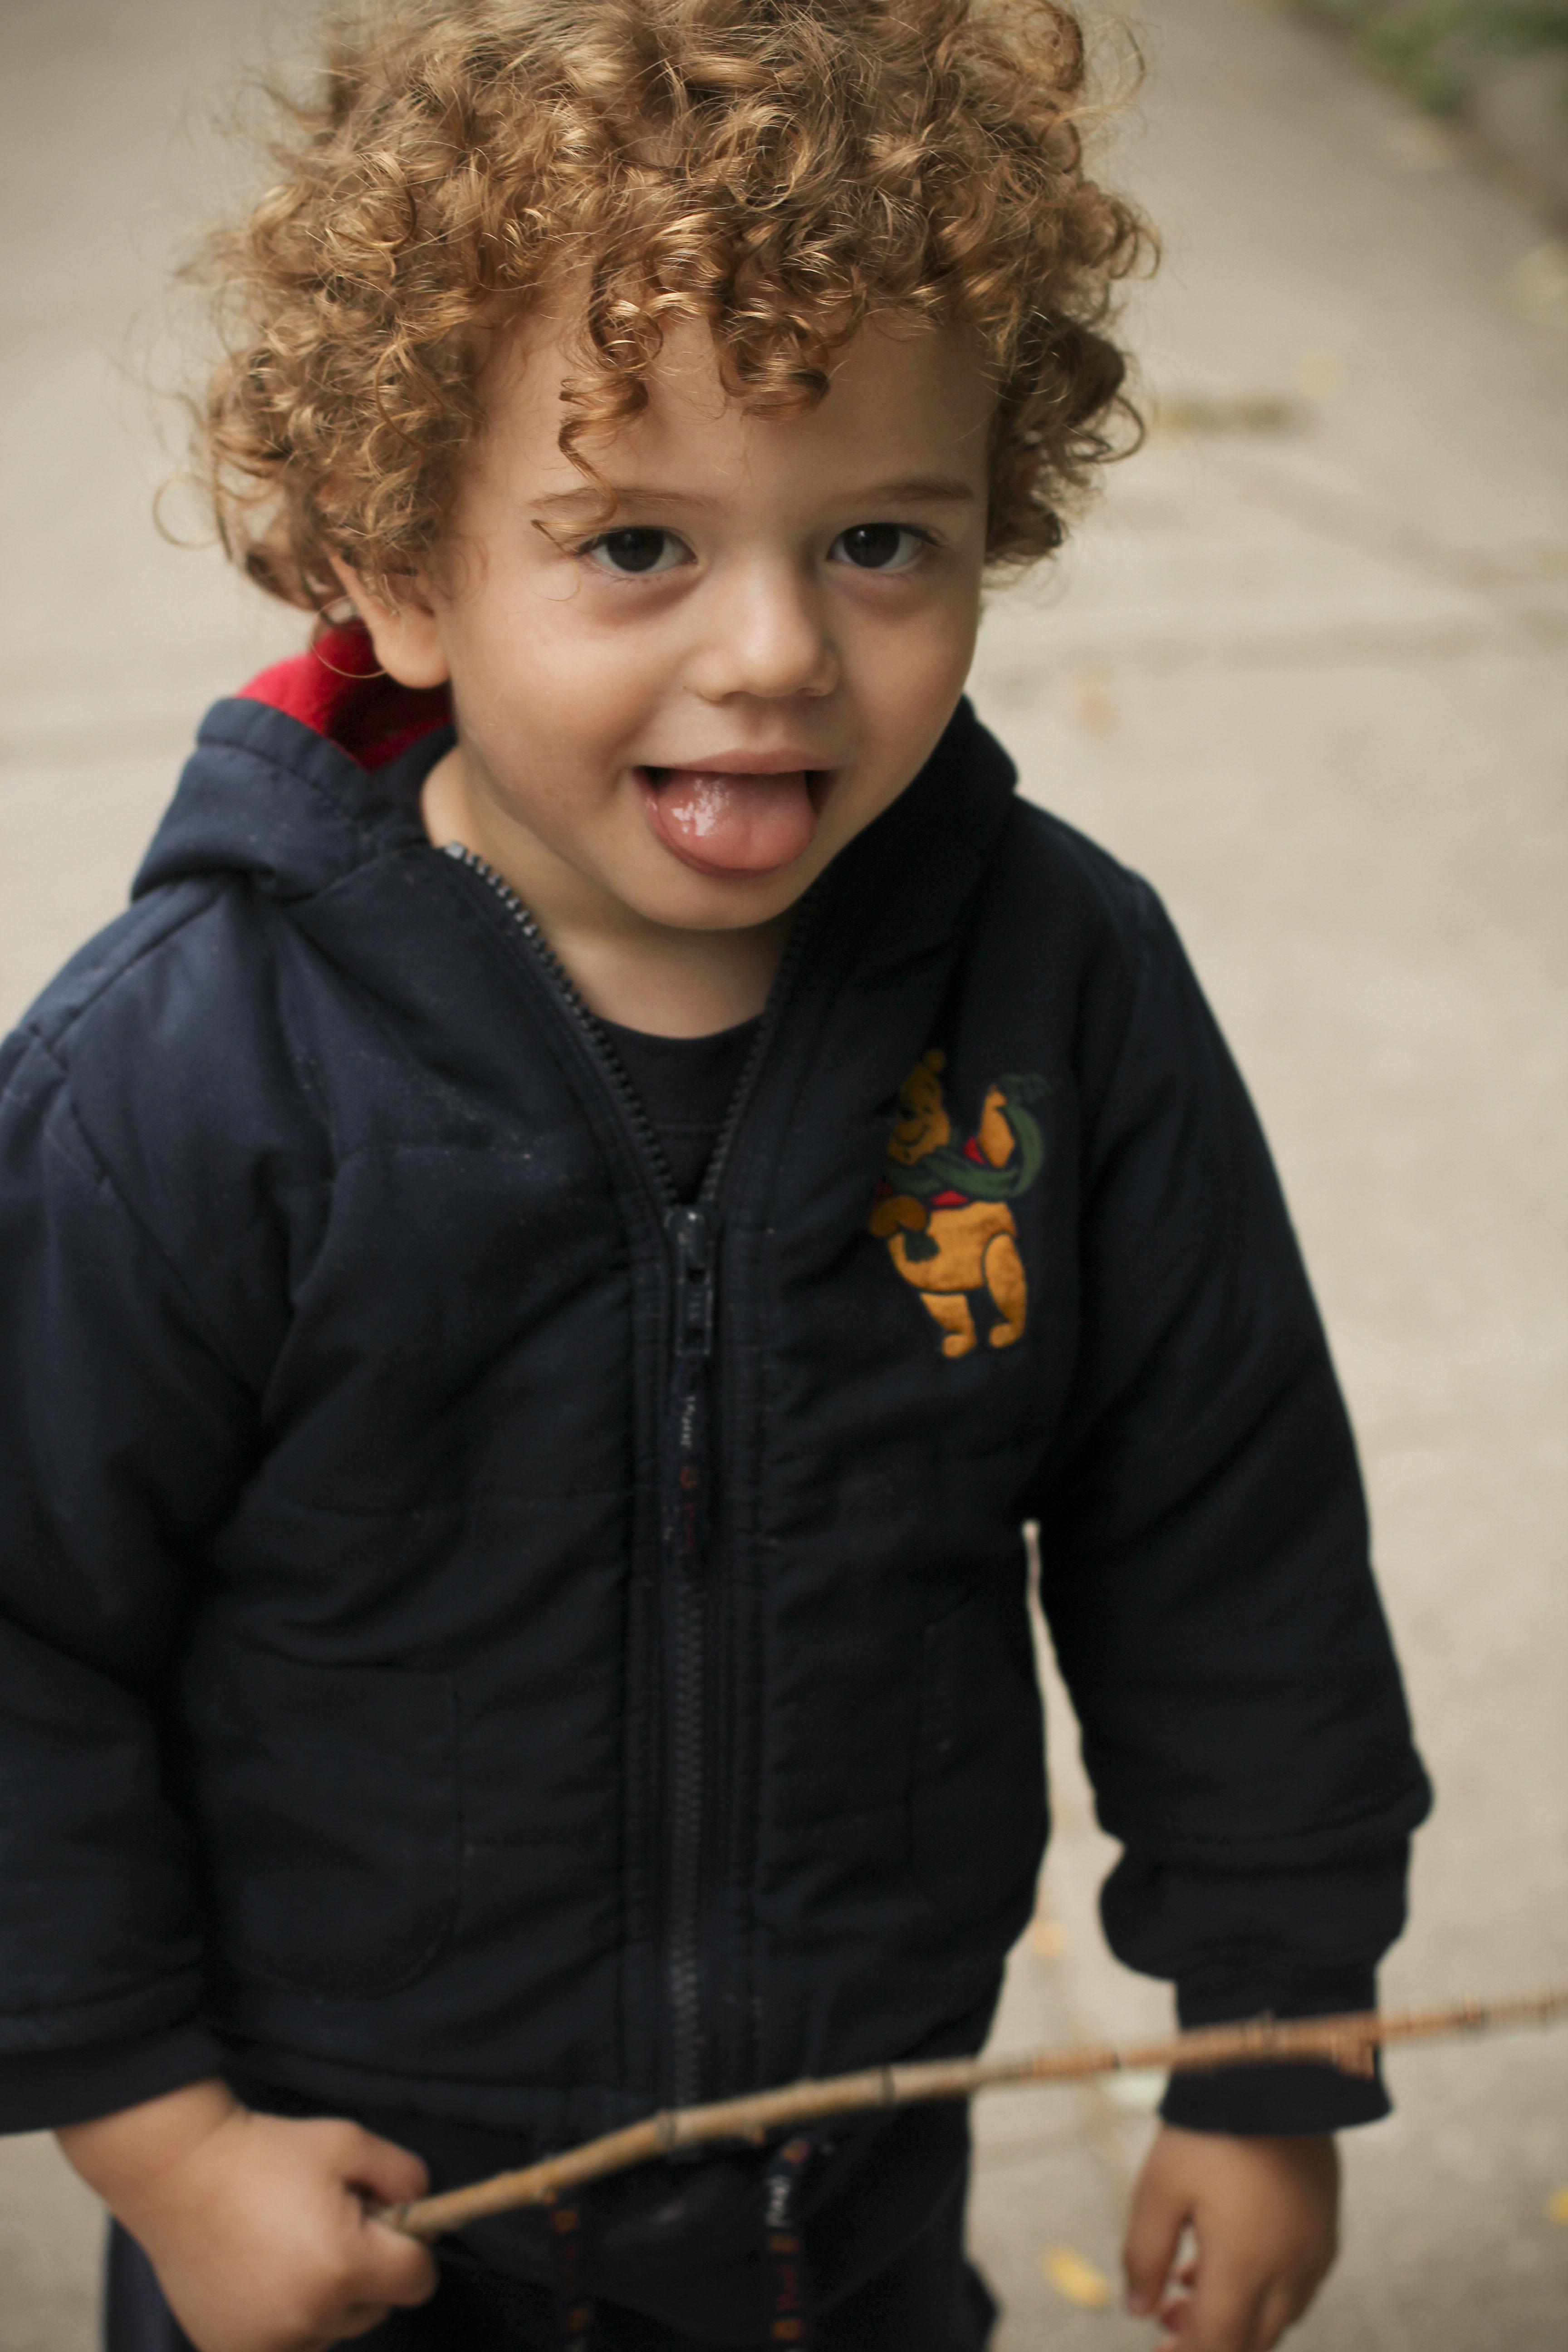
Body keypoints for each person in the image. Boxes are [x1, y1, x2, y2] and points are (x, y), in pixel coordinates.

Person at [0, 4, 1431, 2349]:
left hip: (845, 2174)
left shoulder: (1054, 991)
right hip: (348, 2207)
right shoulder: (181, 1083)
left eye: (878, 541)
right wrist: (161, 2147)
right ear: (400, 567)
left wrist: (1270, 2048)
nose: (773, 652)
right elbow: (24, 1633)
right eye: (636, 542)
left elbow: (1227, 1529)